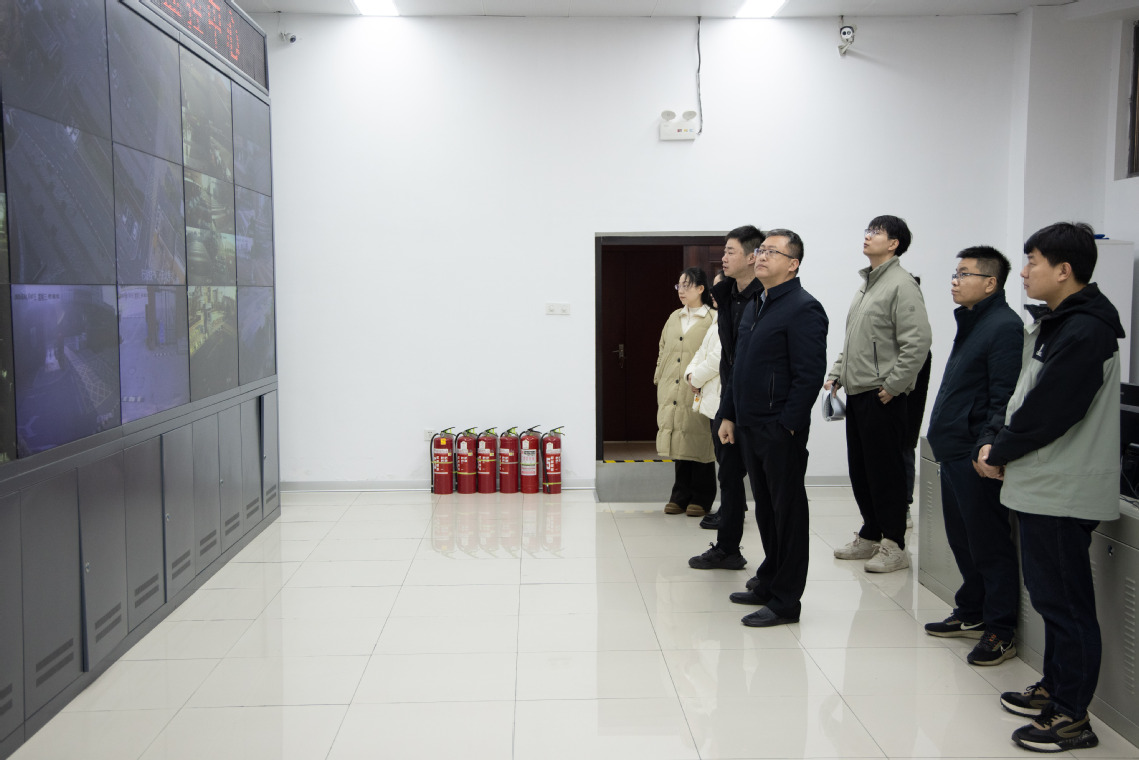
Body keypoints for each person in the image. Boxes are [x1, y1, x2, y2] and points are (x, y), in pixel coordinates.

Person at [975, 222, 1123, 752]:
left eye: (1032, 262)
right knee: (1049, 596)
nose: (1024, 271)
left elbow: (1050, 410)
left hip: (1063, 489)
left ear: (1064, 270)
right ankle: (1056, 688)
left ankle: (1072, 716)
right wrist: (997, 441)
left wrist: (1000, 450)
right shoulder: (1058, 324)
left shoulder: (1086, 331)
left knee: (1065, 604)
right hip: (1043, 484)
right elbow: (1023, 394)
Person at [717, 229, 828, 627]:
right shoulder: (756, 304)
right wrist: (729, 414)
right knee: (765, 509)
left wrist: (789, 426)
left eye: (771, 252)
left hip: (779, 429)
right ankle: (769, 580)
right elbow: (738, 367)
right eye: (760, 250)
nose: (761, 256)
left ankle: (786, 601)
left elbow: (808, 375)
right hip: (749, 424)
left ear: (793, 264)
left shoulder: (803, 308)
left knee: (788, 514)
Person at [923, 246, 1022, 666]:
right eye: (955, 273)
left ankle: (1000, 630)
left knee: (988, 543)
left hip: (974, 453)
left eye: (964, 274)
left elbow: (1003, 395)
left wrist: (987, 444)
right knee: (963, 540)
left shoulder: (1004, 326)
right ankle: (972, 610)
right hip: (952, 448)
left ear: (990, 283)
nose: (955, 280)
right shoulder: (974, 321)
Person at [825, 215, 931, 573]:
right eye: (867, 231)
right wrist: (837, 373)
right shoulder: (867, 286)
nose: (868, 237)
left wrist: (894, 385)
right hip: (859, 392)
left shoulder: (902, 284)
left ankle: (894, 544)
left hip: (882, 395)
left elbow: (918, 342)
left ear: (894, 243)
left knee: (886, 473)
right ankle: (870, 533)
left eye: (877, 232)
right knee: (862, 470)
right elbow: (854, 339)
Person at [688, 226, 765, 570]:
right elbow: (728, 360)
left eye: (731, 251)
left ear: (751, 257)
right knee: (730, 478)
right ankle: (727, 549)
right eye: (724, 251)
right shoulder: (727, 297)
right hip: (728, 402)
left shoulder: (766, 298)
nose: (723, 257)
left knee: (766, 489)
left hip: (759, 407)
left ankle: (775, 566)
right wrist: (727, 410)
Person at [654, 266, 717, 517]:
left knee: (700, 439)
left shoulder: (713, 318)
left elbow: (714, 355)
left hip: (698, 387)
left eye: (686, 285)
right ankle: (680, 495)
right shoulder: (674, 317)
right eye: (679, 285)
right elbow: (662, 349)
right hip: (671, 388)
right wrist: (659, 377)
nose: (681, 290)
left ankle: (702, 497)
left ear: (701, 289)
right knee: (679, 439)